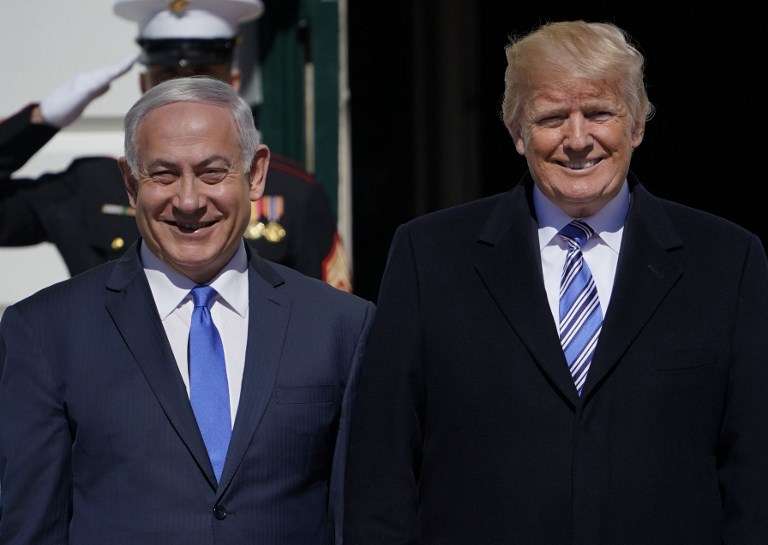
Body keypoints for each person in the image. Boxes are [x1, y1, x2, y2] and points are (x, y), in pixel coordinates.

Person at [344, 20, 768, 545]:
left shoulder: (726, 261)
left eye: (599, 113)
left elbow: (752, 469)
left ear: (636, 125)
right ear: (517, 133)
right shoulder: (428, 257)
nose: (577, 139)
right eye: (550, 118)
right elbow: (380, 467)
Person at [0, 77, 373, 545]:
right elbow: (32, 527)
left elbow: (358, 517)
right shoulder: (46, 331)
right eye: (163, 174)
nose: (190, 200)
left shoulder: (339, 326)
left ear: (256, 174)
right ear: (130, 185)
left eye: (213, 173)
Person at [0, 0, 351, 291]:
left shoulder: (294, 192)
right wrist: (39, 121)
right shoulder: (89, 185)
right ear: (142, 84)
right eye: (166, 82)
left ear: (234, 81)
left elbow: (326, 327)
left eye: (203, 79)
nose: (185, 98)